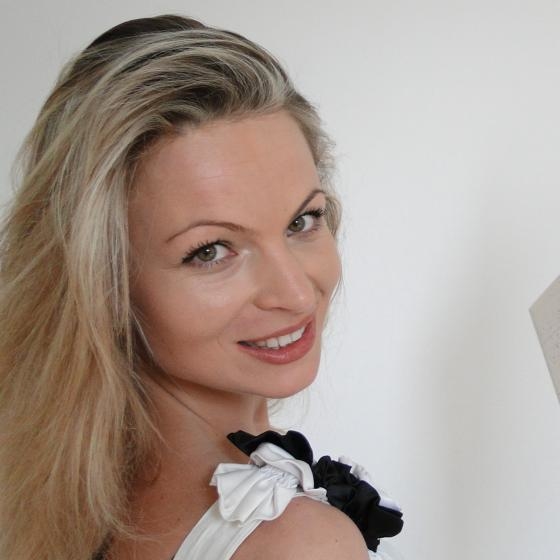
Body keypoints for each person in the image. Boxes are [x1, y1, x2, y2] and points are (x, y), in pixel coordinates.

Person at [0, 15, 403, 560]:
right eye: (211, 251)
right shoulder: (296, 543)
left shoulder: (57, 501)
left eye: (302, 221)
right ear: (103, 282)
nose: (294, 293)